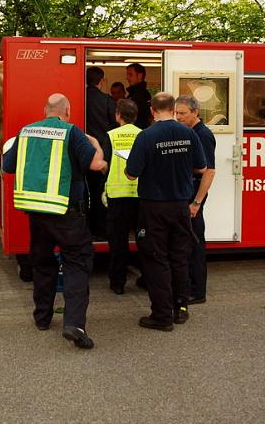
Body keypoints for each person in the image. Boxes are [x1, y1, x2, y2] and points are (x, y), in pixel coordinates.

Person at [2, 93, 107, 349]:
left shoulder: (26, 132)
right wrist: (95, 144)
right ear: (67, 111)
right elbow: (96, 164)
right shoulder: (73, 132)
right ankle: (74, 324)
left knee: (42, 264)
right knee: (77, 263)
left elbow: (8, 165)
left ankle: (42, 318)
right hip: (67, 212)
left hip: (36, 213)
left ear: (45, 110)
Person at [125, 92, 206, 331]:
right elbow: (201, 166)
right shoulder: (188, 133)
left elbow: (132, 173)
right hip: (181, 205)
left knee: (156, 259)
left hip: (154, 207)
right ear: (172, 109)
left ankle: (161, 316)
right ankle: (181, 308)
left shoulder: (146, 136)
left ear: (152, 110)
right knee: (179, 257)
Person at [175, 95, 216, 305]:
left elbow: (209, 172)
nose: (178, 117)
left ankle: (197, 291)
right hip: (188, 191)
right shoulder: (189, 132)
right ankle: (188, 284)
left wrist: (196, 203)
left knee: (196, 242)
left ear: (195, 112)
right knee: (187, 242)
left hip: (195, 194)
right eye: (176, 113)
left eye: (182, 113)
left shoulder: (203, 135)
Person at [101, 98, 140, 295]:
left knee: (118, 241)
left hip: (117, 195)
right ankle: (147, 278)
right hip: (140, 195)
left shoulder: (110, 136)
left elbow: (104, 163)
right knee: (144, 239)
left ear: (118, 115)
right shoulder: (144, 135)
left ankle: (118, 283)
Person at [85, 66, 117, 237]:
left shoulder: (80, 97)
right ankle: (100, 228)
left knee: (85, 191)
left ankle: (86, 225)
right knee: (101, 191)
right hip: (102, 153)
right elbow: (114, 125)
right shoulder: (107, 100)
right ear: (101, 81)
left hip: (82, 151)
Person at [126, 63, 152, 130]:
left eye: (130, 75)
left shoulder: (142, 95)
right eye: (127, 75)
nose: (127, 78)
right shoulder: (132, 94)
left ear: (140, 76)